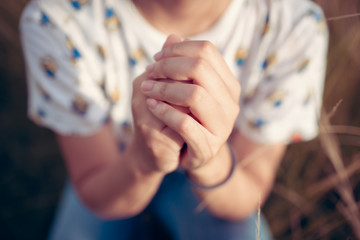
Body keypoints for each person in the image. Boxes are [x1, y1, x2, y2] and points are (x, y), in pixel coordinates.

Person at [20, 0, 328, 239]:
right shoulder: (57, 20)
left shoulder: (293, 25)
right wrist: (143, 159)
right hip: (114, 166)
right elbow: (95, 188)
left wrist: (208, 159)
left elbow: (248, 192)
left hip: (220, 176)